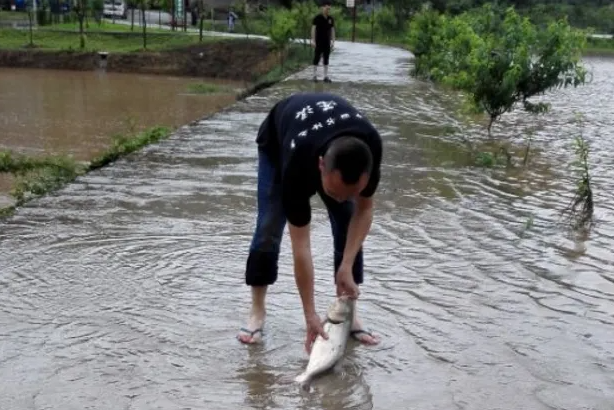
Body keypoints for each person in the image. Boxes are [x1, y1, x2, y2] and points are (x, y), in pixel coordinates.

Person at [237, 92, 383, 353]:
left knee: (347, 220)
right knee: (269, 225)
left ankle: (348, 314)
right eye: (336, 192)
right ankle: (257, 311)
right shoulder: (297, 165)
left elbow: (365, 209)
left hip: (328, 143)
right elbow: (301, 248)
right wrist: (310, 315)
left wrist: (346, 265)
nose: (341, 199)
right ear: (320, 167)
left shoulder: (370, 145)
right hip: (279, 142)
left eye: (350, 193)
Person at [311, 0, 335, 83]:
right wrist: (313, 40)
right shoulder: (317, 18)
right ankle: (314, 76)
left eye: (329, 9)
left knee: (326, 58)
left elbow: (332, 30)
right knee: (316, 58)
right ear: (322, 8)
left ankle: (325, 76)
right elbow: (313, 29)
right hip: (318, 41)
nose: (328, 10)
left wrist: (333, 41)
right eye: (326, 8)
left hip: (327, 42)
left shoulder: (330, 19)